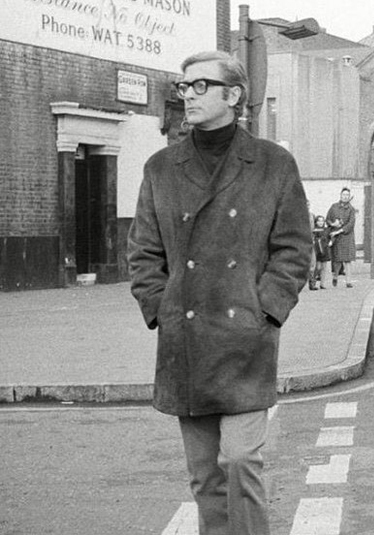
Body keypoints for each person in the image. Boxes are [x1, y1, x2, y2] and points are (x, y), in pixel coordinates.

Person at [127, 50, 312, 535]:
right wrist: (161, 307)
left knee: (240, 462)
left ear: (233, 96)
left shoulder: (273, 164)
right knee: (205, 477)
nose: (187, 94)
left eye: (200, 86)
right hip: (186, 342)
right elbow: (144, 254)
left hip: (245, 341)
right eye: (184, 86)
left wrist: (265, 311)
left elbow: (293, 249)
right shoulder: (161, 168)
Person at [326, 187, 356, 287]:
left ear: (349, 197)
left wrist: (340, 230)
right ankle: (335, 277)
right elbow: (328, 219)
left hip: (346, 237)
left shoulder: (351, 209)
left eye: (347, 195)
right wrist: (334, 224)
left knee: (347, 260)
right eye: (344, 195)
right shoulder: (334, 207)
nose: (345, 197)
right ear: (340, 195)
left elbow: (351, 224)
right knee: (337, 259)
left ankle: (348, 281)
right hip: (336, 238)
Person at [311, 215, 331, 289]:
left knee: (324, 267)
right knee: (318, 267)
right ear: (316, 222)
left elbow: (330, 237)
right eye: (319, 221)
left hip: (325, 249)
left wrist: (330, 242)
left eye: (322, 221)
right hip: (317, 250)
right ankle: (313, 282)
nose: (321, 222)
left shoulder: (326, 230)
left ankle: (322, 284)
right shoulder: (314, 230)